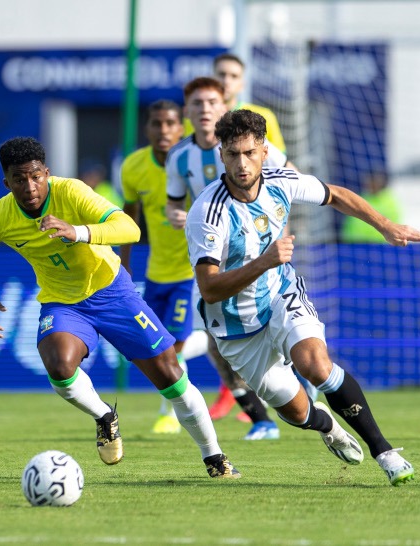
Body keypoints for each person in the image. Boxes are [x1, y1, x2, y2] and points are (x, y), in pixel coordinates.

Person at [0, 136, 240, 479]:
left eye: (35, 176)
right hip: (63, 302)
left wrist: (77, 231)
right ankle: (105, 416)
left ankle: (214, 457)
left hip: (112, 291)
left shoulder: (72, 192)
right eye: (19, 179)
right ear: (7, 182)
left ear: (47, 172)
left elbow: (130, 229)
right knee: (59, 367)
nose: (29, 186)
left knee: (170, 375)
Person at [186, 109, 420, 485]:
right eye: (233, 153)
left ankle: (385, 453)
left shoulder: (282, 182)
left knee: (316, 366)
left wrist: (385, 226)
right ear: (221, 153)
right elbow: (209, 287)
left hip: (281, 295)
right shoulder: (207, 211)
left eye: (250, 153)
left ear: (264, 151)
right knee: (299, 412)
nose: (242, 163)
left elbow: (335, 195)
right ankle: (328, 427)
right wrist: (264, 261)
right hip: (236, 328)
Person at [165, 76, 295, 441]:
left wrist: (277, 224)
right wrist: (175, 214)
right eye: (197, 104)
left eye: (211, 103)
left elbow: (291, 181)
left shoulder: (252, 147)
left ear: (223, 106)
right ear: (187, 112)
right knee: (215, 340)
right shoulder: (179, 156)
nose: (204, 110)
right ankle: (263, 418)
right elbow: (173, 202)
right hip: (212, 257)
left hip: (259, 250)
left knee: (269, 327)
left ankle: (294, 380)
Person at [119, 100, 190, 435]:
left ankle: (170, 412)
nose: (163, 130)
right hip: (156, 271)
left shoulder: (196, 161)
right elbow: (128, 218)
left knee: (173, 346)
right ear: (148, 129)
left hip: (195, 270)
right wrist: (124, 267)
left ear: (182, 127)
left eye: (170, 123)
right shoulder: (133, 167)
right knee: (162, 345)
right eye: (157, 123)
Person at [182, 52, 286, 154]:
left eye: (234, 76)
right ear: (212, 79)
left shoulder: (265, 116)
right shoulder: (193, 117)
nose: (226, 81)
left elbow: (281, 161)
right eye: (222, 74)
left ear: (242, 84)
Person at [341, 172, 402, 243]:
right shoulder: (360, 198)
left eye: (374, 182)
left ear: (381, 183)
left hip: (379, 244)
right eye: (369, 182)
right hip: (355, 244)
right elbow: (351, 223)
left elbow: (392, 226)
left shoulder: (389, 202)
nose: (371, 185)